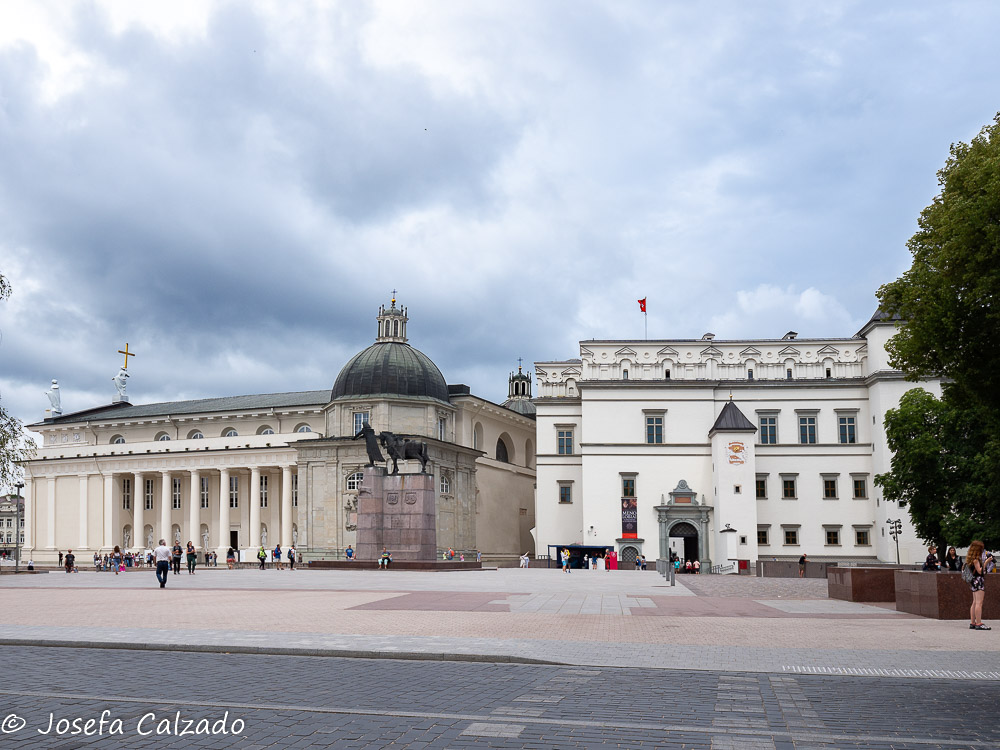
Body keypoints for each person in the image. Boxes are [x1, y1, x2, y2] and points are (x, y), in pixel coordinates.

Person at [966, 540, 991, 630]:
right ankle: (979, 623)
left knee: (974, 602)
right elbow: (980, 571)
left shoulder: (970, 559)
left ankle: (973, 622)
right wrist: (986, 562)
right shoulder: (976, 560)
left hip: (973, 581)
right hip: (978, 581)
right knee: (979, 603)